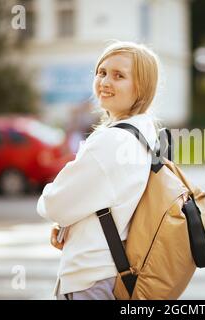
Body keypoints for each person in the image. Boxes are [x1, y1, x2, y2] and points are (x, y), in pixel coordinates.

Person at [36, 40, 160, 300]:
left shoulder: (110, 141)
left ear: (141, 87)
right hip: (112, 270)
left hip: (89, 276)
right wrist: (68, 222)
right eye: (102, 72)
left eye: (119, 76)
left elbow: (53, 203)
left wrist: (62, 216)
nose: (105, 81)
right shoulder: (146, 134)